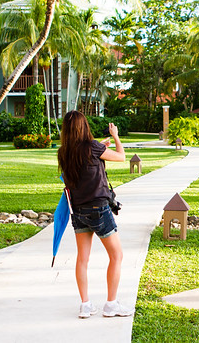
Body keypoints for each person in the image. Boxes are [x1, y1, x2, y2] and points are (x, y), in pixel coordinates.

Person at [57, 110, 132, 319]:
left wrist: (101, 146)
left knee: (82, 258)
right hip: (99, 209)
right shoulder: (92, 147)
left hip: (77, 211)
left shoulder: (64, 152)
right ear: (84, 127)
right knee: (116, 255)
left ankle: (85, 305)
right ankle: (111, 304)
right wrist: (115, 137)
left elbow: (84, 157)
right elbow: (121, 157)